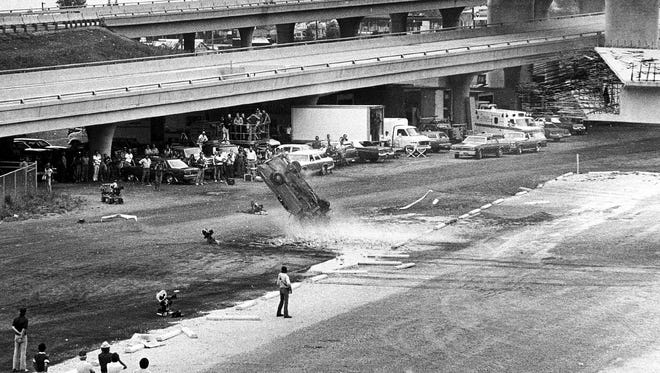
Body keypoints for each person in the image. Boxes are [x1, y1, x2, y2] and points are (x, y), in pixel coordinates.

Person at [12, 307, 28, 372]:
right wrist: (21, 336)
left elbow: (13, 327)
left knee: (16, 352)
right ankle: (22, 368)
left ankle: (14, 368)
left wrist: (17, 332)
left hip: (16, 336)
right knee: (23, 352)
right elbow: (24, 329)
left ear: (19, 312)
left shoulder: (16, 319)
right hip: (23, 337)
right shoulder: (25, 320)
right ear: (25, 313)